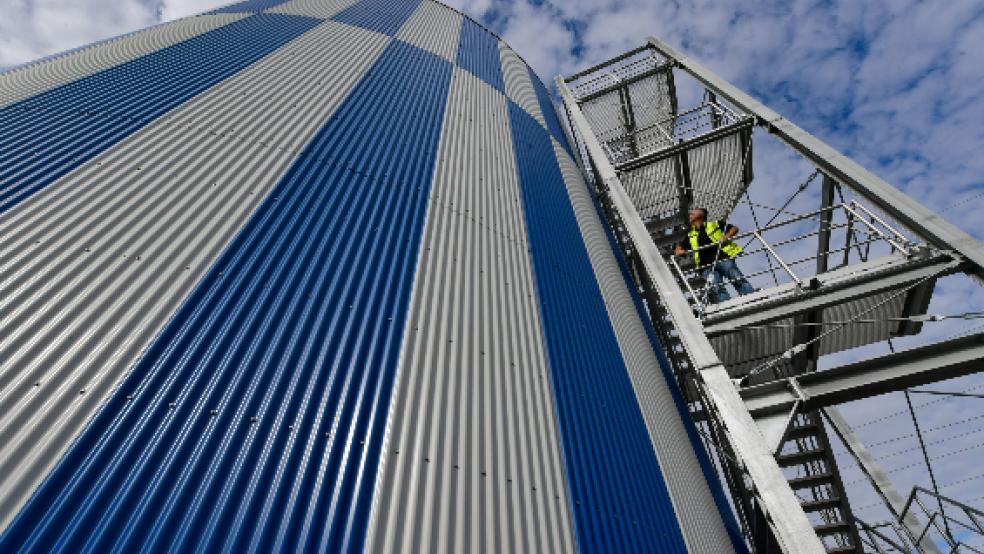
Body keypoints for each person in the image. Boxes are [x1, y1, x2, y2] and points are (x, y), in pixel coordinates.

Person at [673, 207, 755, 303]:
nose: (689, 216)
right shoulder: (691, 234)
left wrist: (726, 237)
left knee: (737, 278)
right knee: (717, 288)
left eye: (692, 214)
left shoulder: (715, 224)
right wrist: (679, 251)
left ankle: (752, 298)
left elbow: (734, 228)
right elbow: (680, 247)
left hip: (722, 258)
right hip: (705, 266)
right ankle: (727, 305)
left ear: (700, 215)